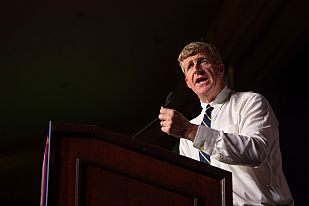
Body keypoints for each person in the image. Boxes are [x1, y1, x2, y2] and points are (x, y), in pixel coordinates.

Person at [158, 41, 294, 205]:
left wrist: (191, 132)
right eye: (190, 66)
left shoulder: (250, 102)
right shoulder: (187, 132)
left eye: (203, 61)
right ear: (188, 82)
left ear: (220, 69)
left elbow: (256, 152)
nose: (197, 69)